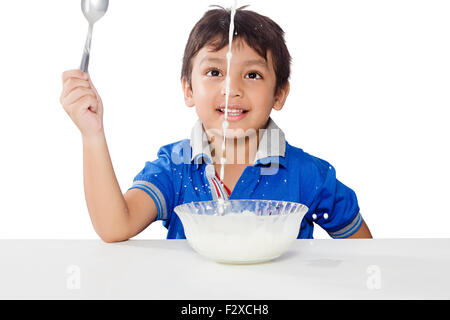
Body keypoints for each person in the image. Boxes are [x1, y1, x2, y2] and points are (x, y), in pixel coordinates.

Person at [60, 6, 372, 242]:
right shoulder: (176, 168)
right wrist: (92, 134)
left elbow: (362, 253)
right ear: (188, 89)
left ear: (279, 94)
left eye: (252, 75)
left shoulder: (309, 175)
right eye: (214, 72)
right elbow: (116, 226)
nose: (230, 89)